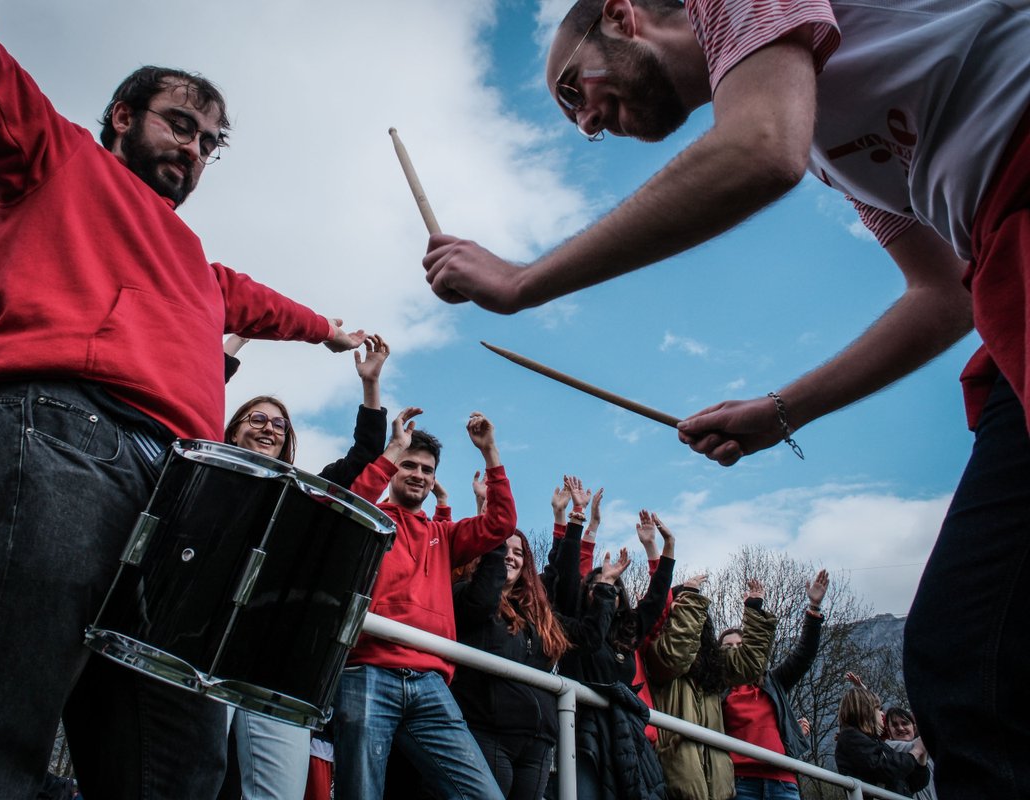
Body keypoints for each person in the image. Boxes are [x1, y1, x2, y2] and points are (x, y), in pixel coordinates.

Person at [422, 3, 1030, 795]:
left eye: (575, 90)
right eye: (574, 117)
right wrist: (783, 411)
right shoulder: (823, 140)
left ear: (622, 14)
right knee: (968, 653)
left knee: (972, 656)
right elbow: (945, 292)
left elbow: (756, 148)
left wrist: (522, 282)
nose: (586, 123)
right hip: (1002, 271)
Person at [0, 0, 365, 796]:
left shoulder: (198, 265)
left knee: (176, 764)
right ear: (123, 116)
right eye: (180, 124)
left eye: (210, 142)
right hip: (58, 431)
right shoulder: (53, 152)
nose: (194, 148)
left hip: (184, 492)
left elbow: (255, 301)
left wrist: (327, 333)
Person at [217, 333, 390, 800]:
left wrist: (370, 385)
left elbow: (363, 457)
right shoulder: (211, 478)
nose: (270, 428)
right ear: (233, 430)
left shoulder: (302, 494)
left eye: (280, 424)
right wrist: (237, 339)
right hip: (205, 641)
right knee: (194, 772)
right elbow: (200, 391)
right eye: (257, 418)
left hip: (272, 658)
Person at [336, 409, 516, 799]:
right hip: (368, 670)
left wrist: (490, 452)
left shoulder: (444, 535)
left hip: (431, 681)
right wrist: (392, 448)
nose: (419, 474)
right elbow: (345, 508)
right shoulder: (370, 519)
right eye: (409, 465)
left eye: (428, 470)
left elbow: (500, 523)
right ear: (392, 471)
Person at [549, 492, 674, 800]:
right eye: (597, 585)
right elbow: (565, 574)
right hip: (581, 733)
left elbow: (657, 597)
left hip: (623, 736)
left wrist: (659, 547)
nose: (606, 589)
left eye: (614, 586)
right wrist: (576, 520)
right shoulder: (576, 627)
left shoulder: (629, 630)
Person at [450, 527, 571, 800]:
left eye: (518, 553)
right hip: (490, 732)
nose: (510, 557)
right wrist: (490, 528)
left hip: (537, 742)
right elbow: (481, 598)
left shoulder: (536, 616)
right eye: (502, 549)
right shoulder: (466, 596)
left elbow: (563, 580)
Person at [644, 576, 776, 800]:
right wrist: (691, 597)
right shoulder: (659, 654)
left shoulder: (713, 661)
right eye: (681, 606)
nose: (683, 613)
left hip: (720, 787)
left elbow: (751, 665)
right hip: (677, 782)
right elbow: (678, 653)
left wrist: (753, 610)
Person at [720, 570, 830, 800]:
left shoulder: (773, 682)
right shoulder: (718, 690)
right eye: (727, 647)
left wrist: (814, 609)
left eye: (740, 645)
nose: (734, 650)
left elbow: (804, 654)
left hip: (782, 781)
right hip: (738, 782)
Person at [834, 687, 930, 796]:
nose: (882, 714)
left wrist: (922, 754)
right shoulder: (850, 738)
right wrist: (916, 750)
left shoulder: (876, 742)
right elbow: (884, 769)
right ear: (866, 712)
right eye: (878, 709)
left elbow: (913, 784)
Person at [885, 708, 938, 800]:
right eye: (894, 725)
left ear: (914, 727)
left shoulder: (930, 753)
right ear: (888, 730)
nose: (900, 728)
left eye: (905, 723)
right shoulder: (889, 747)